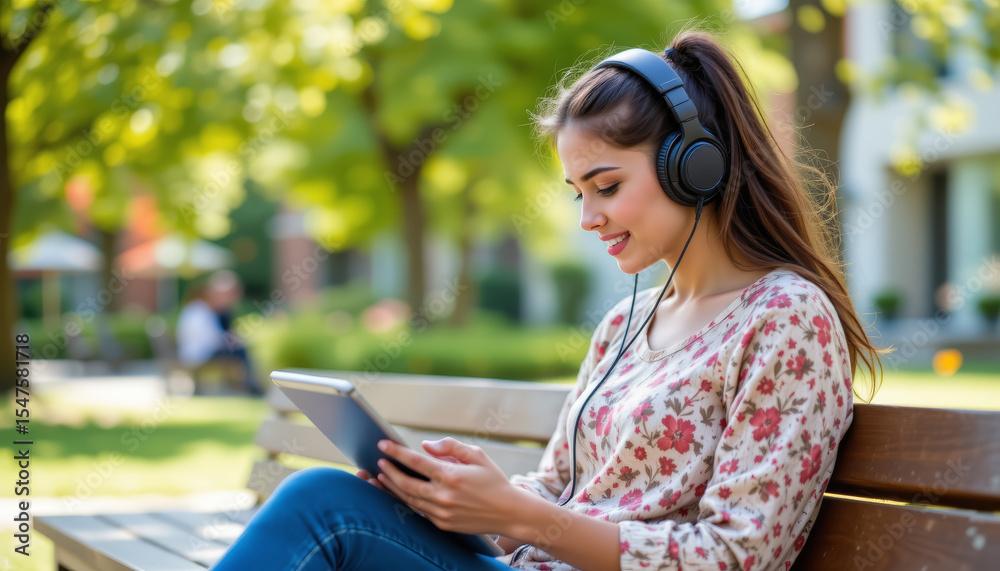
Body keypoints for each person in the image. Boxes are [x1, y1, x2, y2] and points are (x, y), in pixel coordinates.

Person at [211, 28, 888, 570]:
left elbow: (739, 556)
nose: (588, 217)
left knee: (322, 508)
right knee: (333, 499)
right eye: (577, 193)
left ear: (696, 164)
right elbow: (561, 487)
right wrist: (463, 493)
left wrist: (518, 516)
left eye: (607, 185)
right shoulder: (627, 321)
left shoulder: (785, 319)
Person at [176, 269, 262, 395]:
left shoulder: (208, 310)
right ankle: (249, 385)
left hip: (198, 352)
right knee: (241, 351)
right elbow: (211, 341)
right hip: (198, 355)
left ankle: (246, 384)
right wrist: (233, 339)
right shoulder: (200, 311)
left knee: (239, 349)